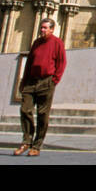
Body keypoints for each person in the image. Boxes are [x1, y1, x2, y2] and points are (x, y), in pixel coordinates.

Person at [16, 18, 65, 157]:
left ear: (52, 29)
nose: (42, 30)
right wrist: (23, 81)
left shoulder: (57, 43)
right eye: (41, 27)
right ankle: (27, 141)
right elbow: (29, 63)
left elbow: (62, 63)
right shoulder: (36, 43)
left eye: (45, 28)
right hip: (31, 81)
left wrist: (54, 80)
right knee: (25, 109)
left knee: (43, 115)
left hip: (46, 82)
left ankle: (36, 146)